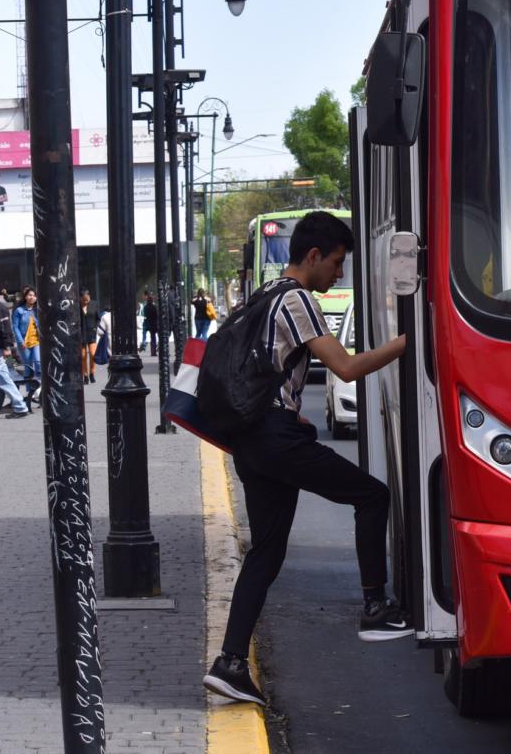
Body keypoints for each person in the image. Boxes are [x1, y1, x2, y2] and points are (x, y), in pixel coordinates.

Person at [203, 211, 409, 707]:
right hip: (276, 439)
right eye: (337, 264)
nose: (338, 274)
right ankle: (375, 605)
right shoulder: (298, 300)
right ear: (313, 256)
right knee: (372, 495)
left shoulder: (264, 295)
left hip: (251, 442)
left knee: (266, 552)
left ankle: (229, 663)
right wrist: (410, 341)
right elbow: (347, 367)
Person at [0, 288, 29, 418]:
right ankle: (20, 407)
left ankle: (20, 407)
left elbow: (6, 329)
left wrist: (7, 347)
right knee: (4, 380)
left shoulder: (0, 308)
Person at [11, 286, 40, 401]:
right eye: (29, 295)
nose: (32, 297)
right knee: (28, 366)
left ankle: (39, 388)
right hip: (24, 343)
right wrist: (20, 341)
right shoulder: (19, 310)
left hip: (37, 341)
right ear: (25, 297)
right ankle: (30, 392)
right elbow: (15, 327)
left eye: (34, 295)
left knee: (38, 362)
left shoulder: (38, 310)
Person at [79, 289, 98, 384]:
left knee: (92, 354)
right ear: (80, 298)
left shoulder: (94, 304)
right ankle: (85, 375)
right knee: (82, 356)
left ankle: (92, 373)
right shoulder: (77, 305)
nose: (86, 302)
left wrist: (96, 327)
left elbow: (98, 318)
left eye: (87, 300)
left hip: (91, 333)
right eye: (84, 300)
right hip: (81, 333)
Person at [142, 292, 158, 356]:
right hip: (153, 324)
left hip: (147, 323)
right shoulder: (154, 307)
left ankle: (144, 343)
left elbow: (145, 314)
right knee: (153, 338)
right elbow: (156, 315)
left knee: (145, 335)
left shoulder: (145, 307)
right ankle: (153, 352)